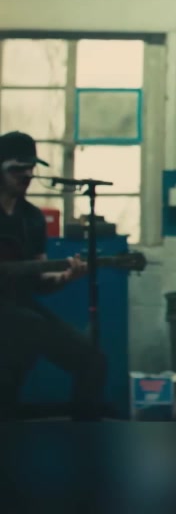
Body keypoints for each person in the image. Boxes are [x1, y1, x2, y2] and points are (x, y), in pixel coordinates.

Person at [0, 130, 102, 422]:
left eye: (31, 167)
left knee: (92, 359)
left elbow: (40, 283)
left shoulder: (32, 219)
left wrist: (67, 276)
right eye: (17, 168)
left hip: (20, 307)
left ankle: (85, 437)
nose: (27, 175)